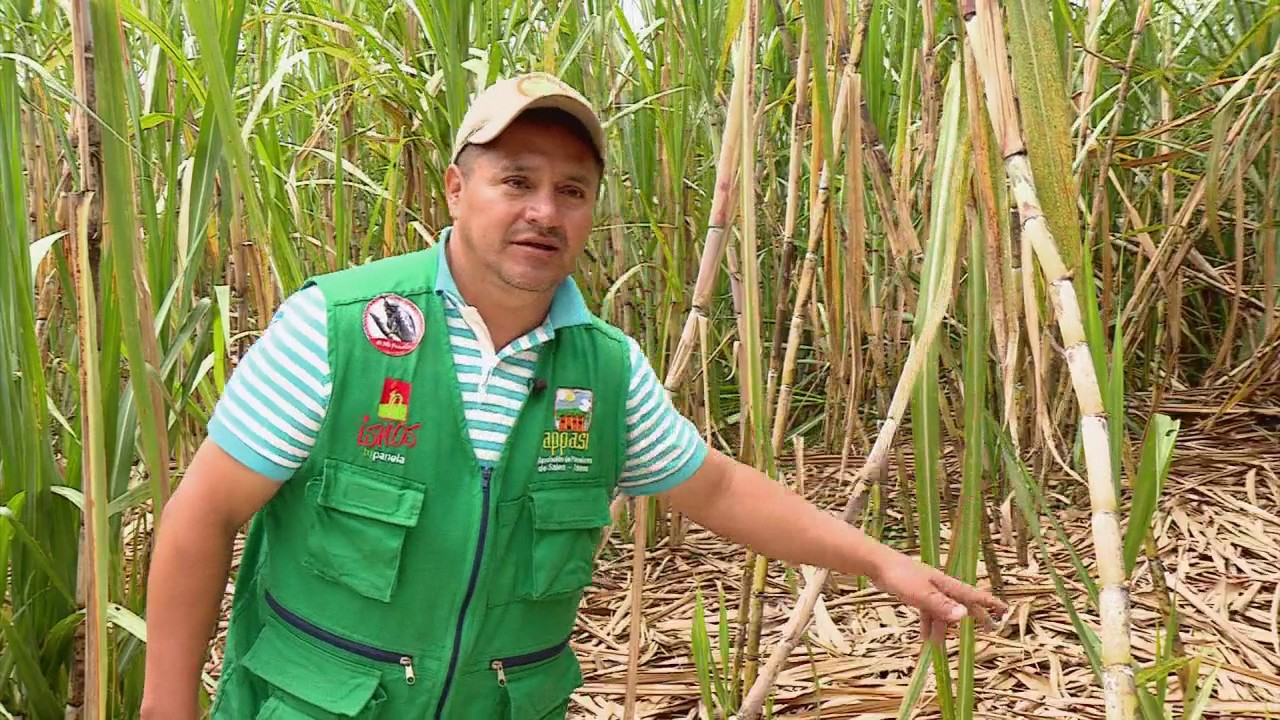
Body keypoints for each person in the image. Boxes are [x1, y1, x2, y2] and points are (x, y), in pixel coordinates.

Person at [141, 72, 1006, 720]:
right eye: (516, 181)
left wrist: (880, 561)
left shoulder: (602, 371)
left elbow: (716, 488)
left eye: (572, 191)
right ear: (456, 188)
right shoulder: (336, 331)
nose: (544, 212)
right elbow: (203, 514)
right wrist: (166, 709)